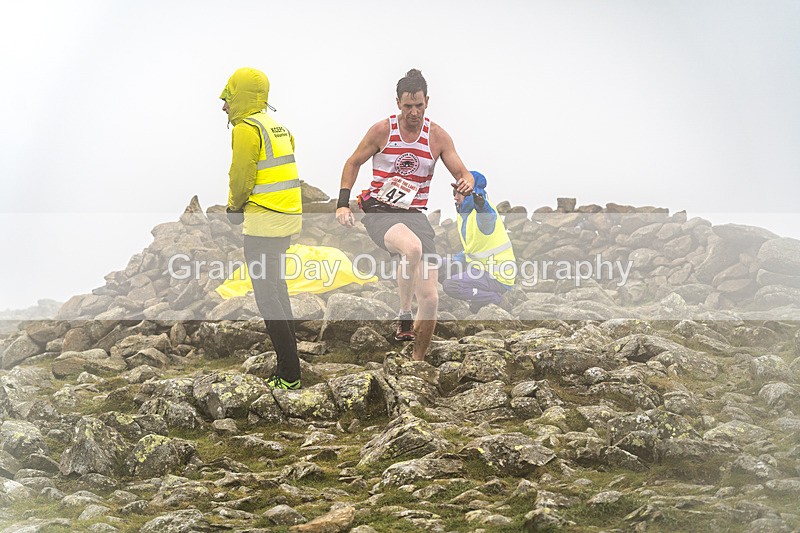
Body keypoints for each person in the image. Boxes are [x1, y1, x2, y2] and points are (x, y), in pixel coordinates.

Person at [336, 69, 474, 362]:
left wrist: (466, 184)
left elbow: (463, 173)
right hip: (380, 211)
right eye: (408, 106)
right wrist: (343, 204)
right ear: (398, 103)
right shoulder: (382, 131)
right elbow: (353, 162)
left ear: (427, 102)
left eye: (419, 105)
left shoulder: (437, 137)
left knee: (431, 298)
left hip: (414, 215)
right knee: (411, 248)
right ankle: (404, 315)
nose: (414, 112)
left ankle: (417, 361)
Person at [220, 67, 303, 390]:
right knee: (278, 290)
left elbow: (241, 176)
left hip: (263, 223)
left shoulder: (246, 129)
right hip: (285, 219)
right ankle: (291, 366)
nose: (224, 106)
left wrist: (234, 208)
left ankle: (289, 375)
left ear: (241, 96)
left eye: (228, 98)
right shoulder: (277, 127)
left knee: (267, 298)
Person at [442, 171, 516, 313]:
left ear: (470, 193)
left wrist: (481, 204)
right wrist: (451, 261)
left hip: (497, 276)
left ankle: (495, 298)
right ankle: (479, 299)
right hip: (479, 269)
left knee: (451, 285)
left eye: (459, 193)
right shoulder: (465, 215)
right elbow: (472, 248)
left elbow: (487, 218)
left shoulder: (482, 211)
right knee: (439, 268)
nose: (455, 197)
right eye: (454, 193)